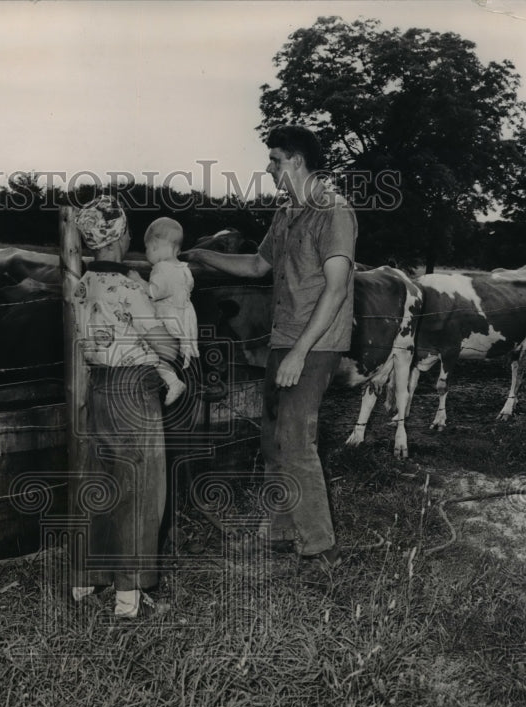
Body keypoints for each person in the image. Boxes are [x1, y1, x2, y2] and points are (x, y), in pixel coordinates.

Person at [182, 125, 356, 570]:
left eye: (275, 160)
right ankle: (281, 532)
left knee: (296, 439)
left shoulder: (333, 212)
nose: (269, 168)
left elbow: (336, 290)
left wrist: (299, 353)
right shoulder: (287, 214)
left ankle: (321, 549)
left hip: (314, 344)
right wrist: (202, 257)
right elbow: (259, 265)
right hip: (284, 337)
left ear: (296, 160)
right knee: (272, 439)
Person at [69, 195, 179, 619]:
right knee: (141, 489)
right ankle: (128, 599)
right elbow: (166, 348)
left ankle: (84, 581)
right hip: (134, 391)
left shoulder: (82, 283)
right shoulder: (130, 287)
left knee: (100, 483)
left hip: (98, 387)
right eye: (129, 227)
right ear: (117, 236)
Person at [139, 217, 199, 406]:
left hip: (168, 321)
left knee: (148, 348)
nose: (146, 254)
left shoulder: (161, 268)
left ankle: (172, 382)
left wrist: (137, 281)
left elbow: (153, 292)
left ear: (155, 245)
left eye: (147, 248)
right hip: (184, 321)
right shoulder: (183, 269)